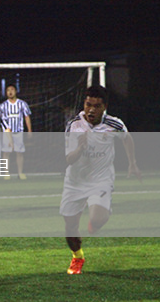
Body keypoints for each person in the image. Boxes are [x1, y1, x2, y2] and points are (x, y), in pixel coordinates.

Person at [60, 85, 141, 274]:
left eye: (96, 106)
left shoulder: (114, 124)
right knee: (70, 227)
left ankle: (95, 221)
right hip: (75, 181)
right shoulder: (74, 125)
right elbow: (69, 159)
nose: (91, 110)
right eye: (88, 104)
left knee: (98, 219)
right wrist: (80, 148)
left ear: (105, 107)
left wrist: (132, 163)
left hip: (101, 179)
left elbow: (127, 138)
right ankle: (77, 257)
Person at [0, 84, 32, 180]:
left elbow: (27, 117)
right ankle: (6, 173)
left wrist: (29, 130)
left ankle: (20, 173)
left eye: (12, 89)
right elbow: (1, 120)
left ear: (16, 91)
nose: (10, 92)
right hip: (7, 132)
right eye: (8, 90)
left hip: (19, 132)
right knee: (6, 152)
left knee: (19, 152)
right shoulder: (3, 106)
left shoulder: (22, 104)